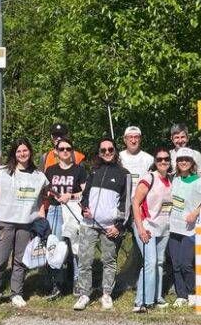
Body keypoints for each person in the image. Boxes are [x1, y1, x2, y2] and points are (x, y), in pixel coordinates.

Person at [0, 138, 49, 308]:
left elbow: (41, 202)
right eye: (19, 151)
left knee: (20, 261)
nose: (22, 154)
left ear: (30, 152)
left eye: (25, 150)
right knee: (0, 260)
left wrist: (41, 223)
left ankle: (17, 293)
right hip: (4, 222)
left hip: (26, 224)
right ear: (14, 154)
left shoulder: (39, 176)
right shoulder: (3, 173)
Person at [73, 138, 131, 311]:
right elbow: (85, 196)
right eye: (103, 150)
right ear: (99, 153)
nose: (107, 153)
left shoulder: (124, 174)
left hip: (109, 227)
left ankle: (106, 294)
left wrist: (119, 226)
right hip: (88, 224)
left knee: (109, 261)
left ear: (115, 151)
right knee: (85, 260)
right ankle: (84, 294)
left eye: (110, 149)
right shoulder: (93, 171)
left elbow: (126, 203)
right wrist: (84, 209)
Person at [168, 147, 201, 307]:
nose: (183, 162)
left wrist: (196, 212)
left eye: (187, 159)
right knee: (175, 264)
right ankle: (181, 295)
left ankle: (192, 292)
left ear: (192, 162)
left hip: (190, 229)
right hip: (173, 226)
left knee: (185, 263)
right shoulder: (174, 179)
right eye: (180, 159)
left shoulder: (200, 182)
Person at [43, 136, 87, 300]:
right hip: (55, 210)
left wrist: (71, 195)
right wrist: (49, 193)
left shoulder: (79, 170)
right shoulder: (50, 170)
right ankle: (57, 283)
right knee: (56, 246)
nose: (65, 151)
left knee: (75, 247)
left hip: (73, 209)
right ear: (56, 152)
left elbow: (85, 191)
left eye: (69, 149)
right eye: (62, 149)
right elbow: (44, 190)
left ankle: (77, 281)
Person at [131, 148, 173, 312]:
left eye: (166, 159)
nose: (163, 162)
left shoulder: (170, 179)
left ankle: (157, 297)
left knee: (160, 262)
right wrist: (140, 227)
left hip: (164, 227)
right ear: (155, 161)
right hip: (146, 226)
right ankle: (142, 301)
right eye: (160, 159)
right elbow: (135, 202)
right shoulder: (149, 178)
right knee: (150, 263)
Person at [118, 125, 154, 290]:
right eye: (130, 137)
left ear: (140, 139)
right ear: (125, 140)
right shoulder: (118, 157)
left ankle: (137, 278)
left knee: (140, 243)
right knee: (114, 243)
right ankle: (112, 281)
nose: (133, 140)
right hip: (120, 206)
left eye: (136, 137)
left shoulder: (148, 159)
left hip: (139, 208)